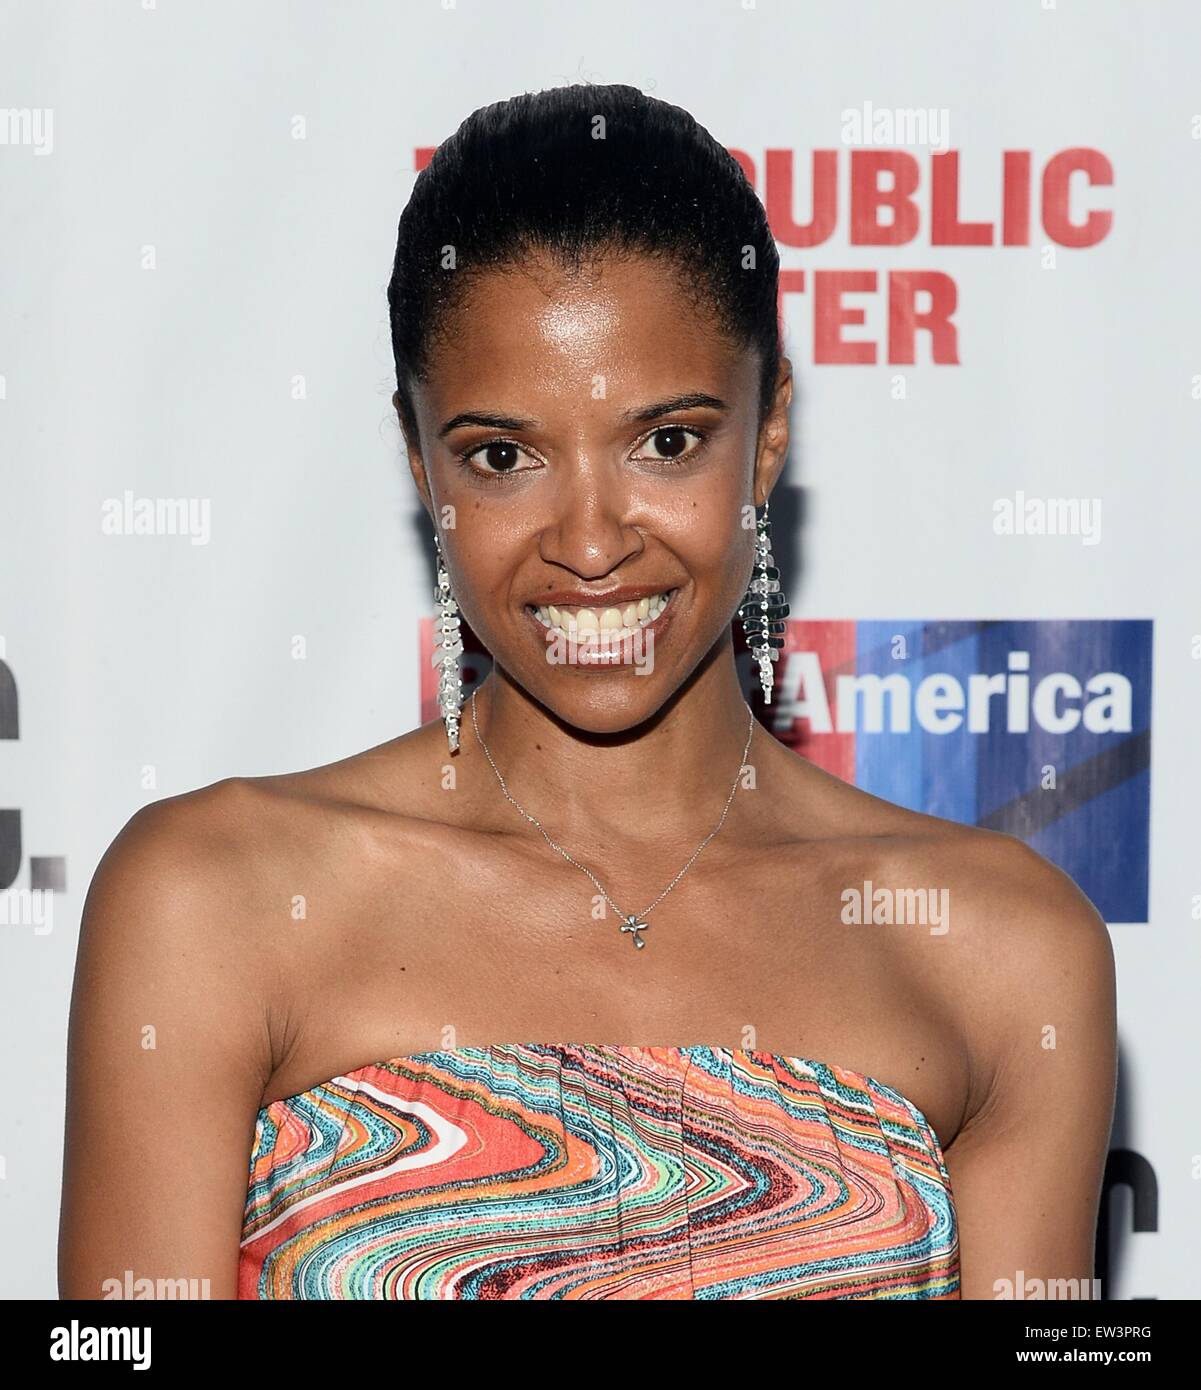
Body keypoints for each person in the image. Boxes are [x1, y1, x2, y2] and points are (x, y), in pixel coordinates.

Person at [58, 83, 1116, 1301]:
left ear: (769, 430)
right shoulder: (211, 901)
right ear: (421, 463)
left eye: (666, 441)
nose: (593, 541)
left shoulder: (1003, 952)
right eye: (502, 456)